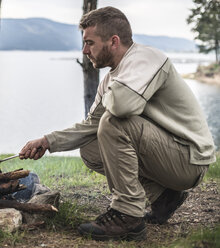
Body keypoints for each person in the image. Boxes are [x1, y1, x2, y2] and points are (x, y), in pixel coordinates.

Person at [19, 6, 216, 241]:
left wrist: (111, 90)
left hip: (189, 160)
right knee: (91, 149)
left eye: (90, 43)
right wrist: (48, 141)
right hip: (170, 158)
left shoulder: (146, 59)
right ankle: (164, 196)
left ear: (113, 41)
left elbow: (122, 108)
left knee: (113, 123)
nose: (84, 50)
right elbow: (91, 125)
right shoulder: (113, 77)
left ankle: (128, 217)